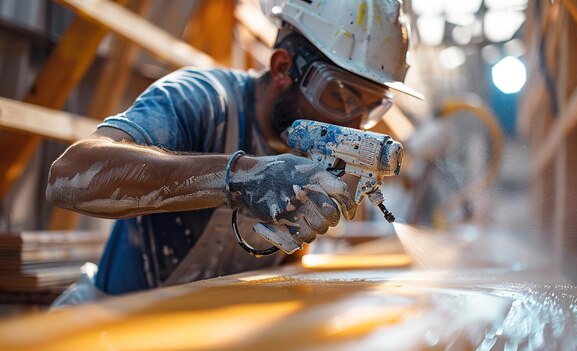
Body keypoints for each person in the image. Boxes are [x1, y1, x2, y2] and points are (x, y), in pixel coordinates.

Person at [46, 0, 423, 302]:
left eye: (371, 109)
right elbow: (67, 176)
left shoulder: (316, 150)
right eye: (340, 96)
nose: (353, 125)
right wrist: (239, 178)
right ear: (282, 68)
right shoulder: (203, 99)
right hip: (108, 329)